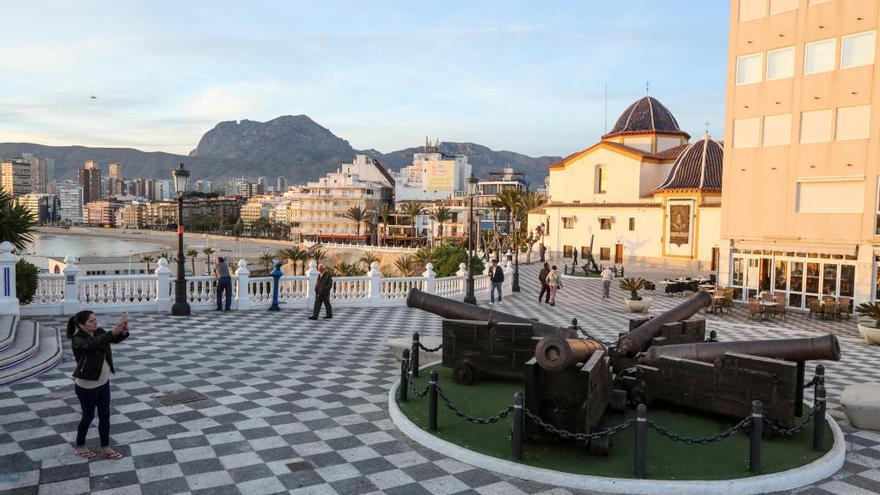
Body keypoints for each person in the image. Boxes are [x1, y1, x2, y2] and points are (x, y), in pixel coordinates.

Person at [68, 310, 129, 460]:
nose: (95, 322)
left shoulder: (98, 332)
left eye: (95, 319)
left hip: (103, 382)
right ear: (82, 325)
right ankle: (80, 446)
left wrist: (122, 332)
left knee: (105, 415)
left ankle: (106, 447)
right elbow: (91, 345)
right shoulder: (77, 339)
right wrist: (111, 332)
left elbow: (112, 340)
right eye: (91, 321)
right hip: (86, 386)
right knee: (88, 416)